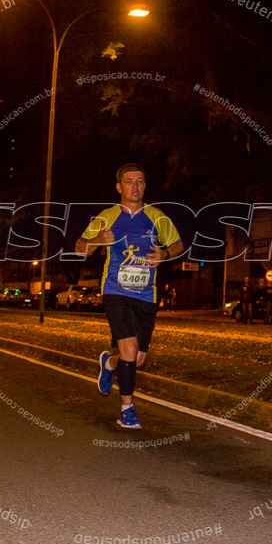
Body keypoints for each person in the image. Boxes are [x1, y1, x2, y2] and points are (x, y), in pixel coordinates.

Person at [75, 163, 184, 429]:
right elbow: (80, 249)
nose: (135, 186)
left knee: (135, 358)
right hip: (115, 290)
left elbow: (179, 246)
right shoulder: (107, 216)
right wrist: (99, 240)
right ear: (119, 187)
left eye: (140, 181)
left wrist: (164, 255)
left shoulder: (158, 216)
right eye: (129, 182)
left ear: (145, 185)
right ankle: (127, 409)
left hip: (146, 293)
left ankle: (108, 362)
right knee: (130, 349)